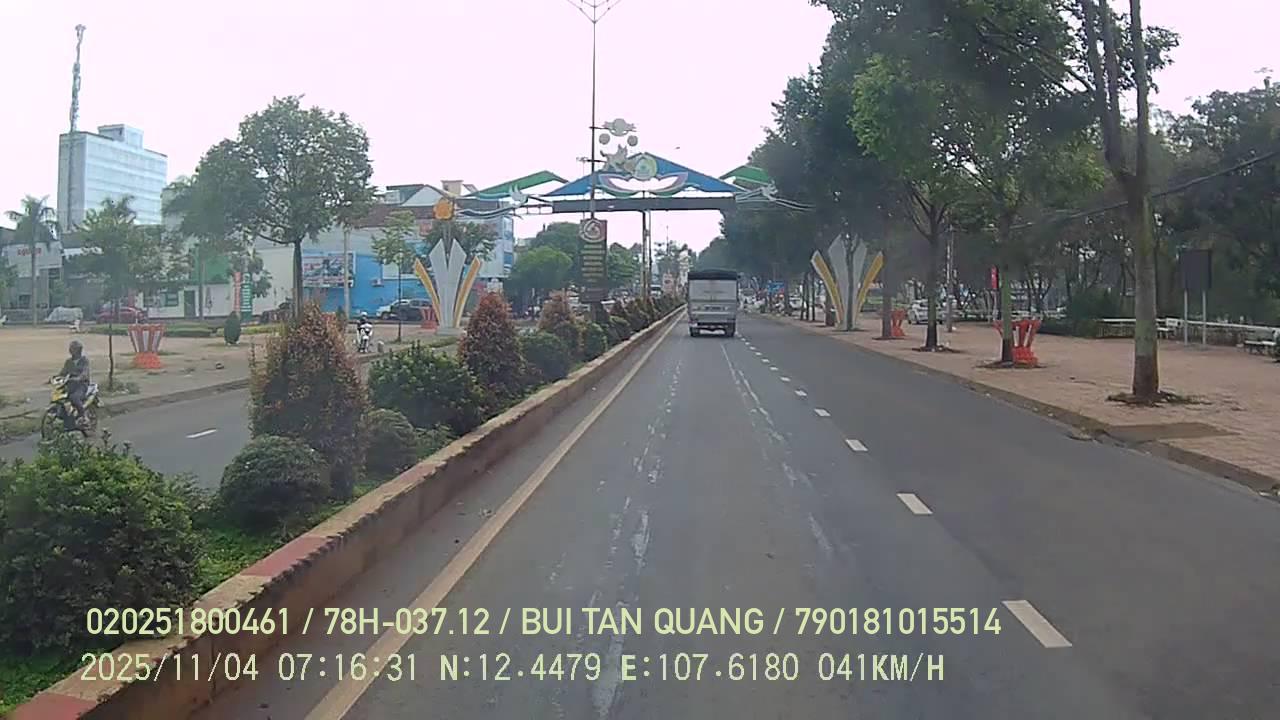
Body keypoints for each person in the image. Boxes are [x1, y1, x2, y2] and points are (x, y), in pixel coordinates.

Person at [60, 339, 91, 427]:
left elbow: (85, 373)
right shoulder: (68, 362)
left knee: (74, 397)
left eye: (73, 348)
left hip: (81, 385)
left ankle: (84, 417)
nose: (71, 350)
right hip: (70, 384)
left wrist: (79, 378)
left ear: (78, 350)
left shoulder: (84, 360)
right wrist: (53, 378)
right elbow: (62, 373)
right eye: (71, 348)